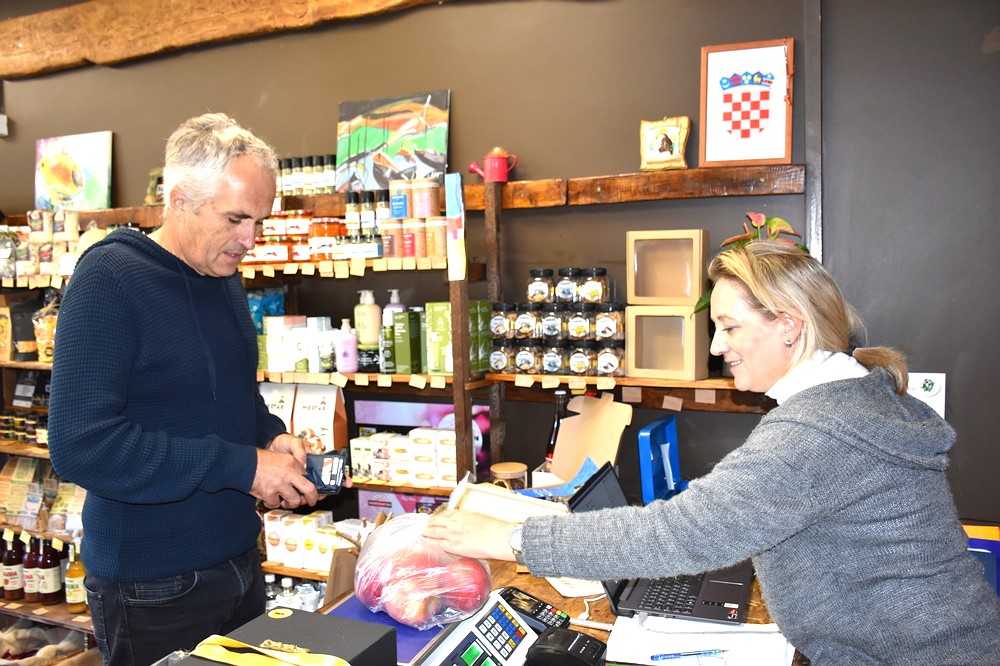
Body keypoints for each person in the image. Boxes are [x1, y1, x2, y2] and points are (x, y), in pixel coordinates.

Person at [425, 241, 1000, 664]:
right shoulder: (850, 399)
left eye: (729, 326)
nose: (717, 345)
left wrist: (511, 539)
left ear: (789, 327)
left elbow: (680, 534)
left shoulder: (818, 431)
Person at [49, 113, 320, 665]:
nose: (250, 240)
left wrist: (270, 438)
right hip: (151, 584)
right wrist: (242, 466)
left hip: (238, 560)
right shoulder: (110, 279)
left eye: (260, 221)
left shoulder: (221, 276)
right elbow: (81, 445)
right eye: (236, 219)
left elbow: (230, 397)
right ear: (178, 200)